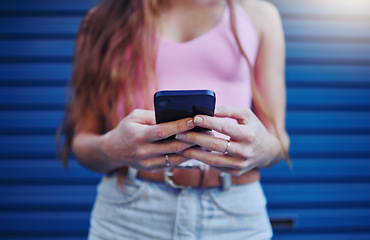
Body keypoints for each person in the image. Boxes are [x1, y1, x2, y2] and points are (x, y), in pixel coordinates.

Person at [58, 0, 290, 239]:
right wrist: (112, 149)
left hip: (234, 213)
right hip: (131, 212)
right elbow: (82, 142)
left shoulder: (259, 15)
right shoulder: (103, 18)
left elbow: (278, 140)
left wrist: (262, 149)